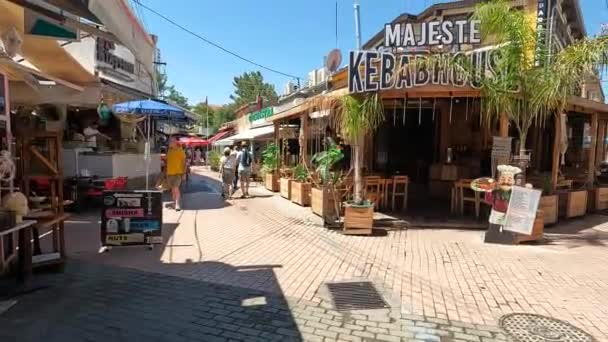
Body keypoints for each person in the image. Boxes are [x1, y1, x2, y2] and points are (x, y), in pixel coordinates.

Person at [165, 137, 187, 210]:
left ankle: (177, 204)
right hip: (169, 173)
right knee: (172, 190)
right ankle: (174, 203)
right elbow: (168, 162)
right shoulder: (169, 151)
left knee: (176, 188)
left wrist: (184, 174)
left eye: (170, 142)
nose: (169, 143)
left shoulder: (180, 151)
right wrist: (165, 172)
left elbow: (184, 163)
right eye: (169, 142)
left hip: (177, 174)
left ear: (174, 142)